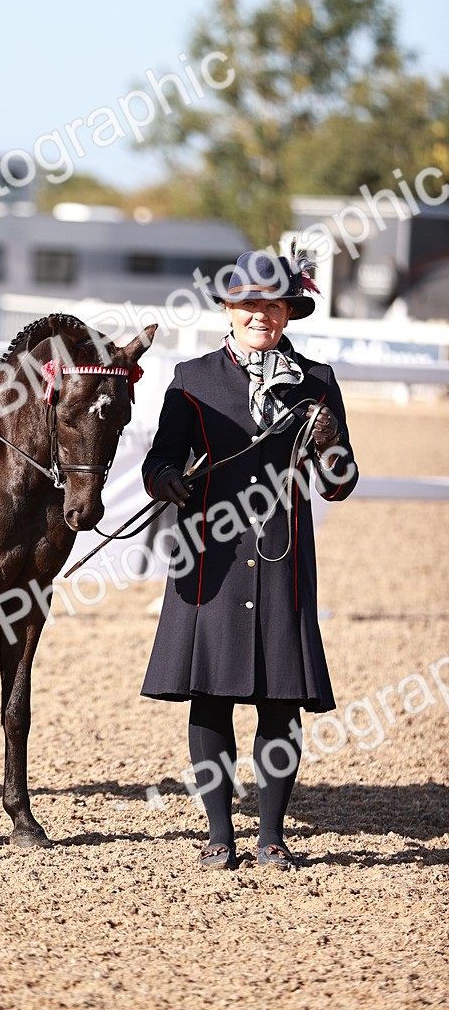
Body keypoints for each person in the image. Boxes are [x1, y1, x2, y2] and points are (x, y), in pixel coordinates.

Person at [141, 247, 358, 870]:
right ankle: (218, 836)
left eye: (273, 305)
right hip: (210, 557)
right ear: (228, 310)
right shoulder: (192, 377)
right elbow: (161, 459)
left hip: (284, 558)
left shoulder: (318, 382)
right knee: (209, 695)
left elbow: (338, 483)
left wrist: (332, 444)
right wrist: (165, 481)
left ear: (288, 313)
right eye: (249, 305)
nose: (261, 314)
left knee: (279, 700)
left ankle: (271, 837)